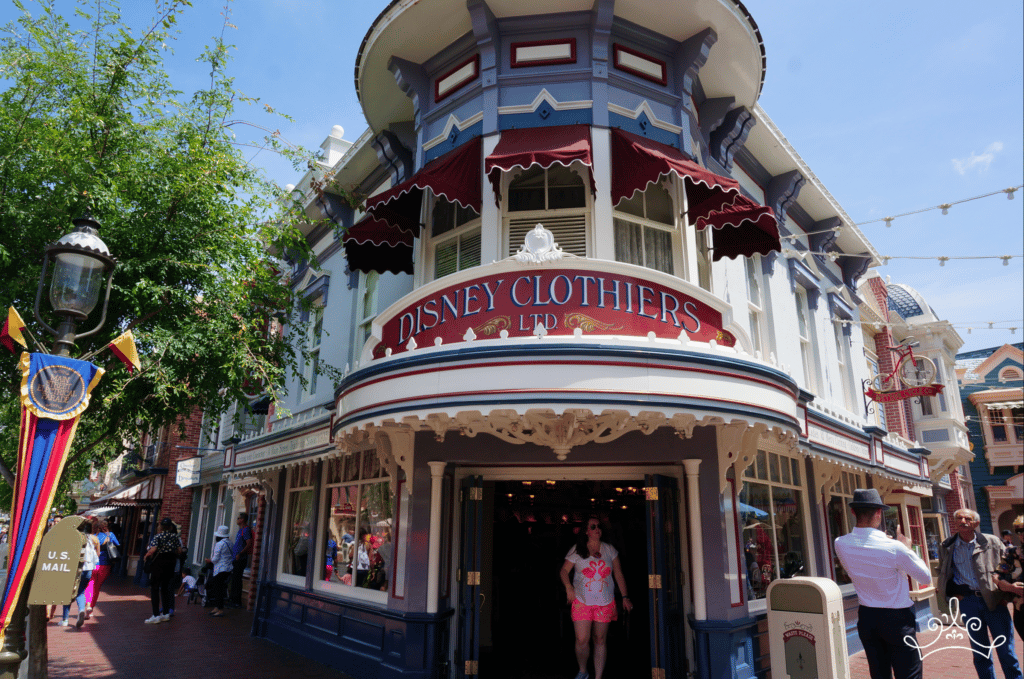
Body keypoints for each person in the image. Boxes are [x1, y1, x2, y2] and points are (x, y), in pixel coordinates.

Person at [833, 489, 931, 679]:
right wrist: (907, 548)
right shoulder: (895, 548)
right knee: (909, 674)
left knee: (879, 674)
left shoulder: (840, 543)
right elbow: (925, 577)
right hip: (897, 619)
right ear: (878, 513)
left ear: (853, 512)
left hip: (867, 617)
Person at [938, 508, 1022, 679]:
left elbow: (1006, 570)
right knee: (980, 651)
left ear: (976, 523)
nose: (962, 521)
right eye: (959, 519)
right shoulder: (947, 545)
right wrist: (955, 594)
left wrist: (1005, 597)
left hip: (994, 602)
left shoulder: (992, 542)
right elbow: (944, 571)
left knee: (1006, 650)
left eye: (967, 519)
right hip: (968, 603)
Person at [559, 516, 633, 679]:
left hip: (604, 602)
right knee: (582, 639)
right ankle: (583, 670)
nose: (597, 529)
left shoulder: (609, 550)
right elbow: (563, 571)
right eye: (593, 526)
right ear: (586, 531)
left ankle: (598, 677)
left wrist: (625, 596)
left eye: (598, 526)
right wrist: (568, 587)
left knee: (600, 639)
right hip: (582, 601)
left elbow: (618, 574)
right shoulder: (577, 549)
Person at [61, 521, 99, 629]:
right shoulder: (92, 539)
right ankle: (81, 610)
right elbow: (96, 558)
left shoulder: (73, 538)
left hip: (76, 569)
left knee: (67, 593)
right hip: (88, 570)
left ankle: (65, 619)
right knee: (81, 592)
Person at [143, 517, 181, 624]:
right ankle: (165, 613)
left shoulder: (158, 536)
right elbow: (179, 550)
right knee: (165, 589)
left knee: (155, 588)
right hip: (170, 564)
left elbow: (153, 550)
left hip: (159, 564)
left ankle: (155, 615)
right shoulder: (175, 537)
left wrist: (146, 556)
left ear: (161, 526)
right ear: (170, 526)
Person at [84, 518, 120, 617]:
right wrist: (109, 535)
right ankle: (91, 608)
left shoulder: (92, 536)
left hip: (92, 564)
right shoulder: (110, 535)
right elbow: (117, 544)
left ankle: (87, 605)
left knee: (90, 585)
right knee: (97, 587)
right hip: (105, 564)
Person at [205, 525, 233, 617]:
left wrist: (209, 560)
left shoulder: (219, 544)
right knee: (220, 589)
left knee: (218, 590)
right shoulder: (230, 543)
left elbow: (215, 559)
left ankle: (219, 609)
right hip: (228, 568)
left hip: (220, 569)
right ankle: (217, 607)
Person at [228, 512, 253, 608]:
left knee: (237, 580)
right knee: (234, 579)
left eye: (238, 518)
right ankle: (233, 599)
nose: (237, 520)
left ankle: (237, 602)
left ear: (242, 520)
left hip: (240, 559)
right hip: (236, 558)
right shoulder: (240, 530)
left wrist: (240, 553)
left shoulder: (246, 530)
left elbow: (248, 543)